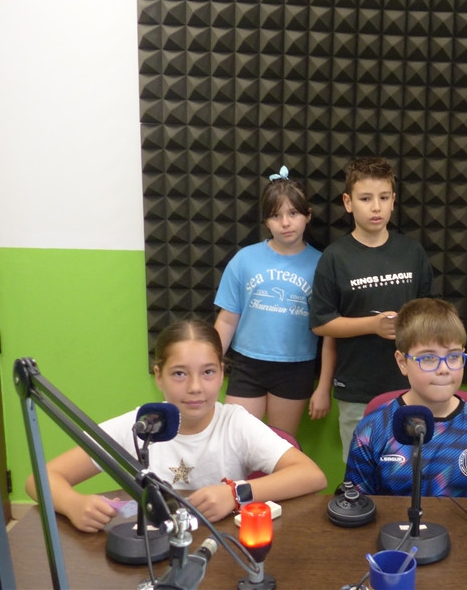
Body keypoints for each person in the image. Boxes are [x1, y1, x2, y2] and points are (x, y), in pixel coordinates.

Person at [25, 319, 327, 533]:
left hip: (222, 550)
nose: (195, 387)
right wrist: (73, 504)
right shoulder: (138, 425)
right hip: (156, 552)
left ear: (222, 374)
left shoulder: (235, 423)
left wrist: (235, 494)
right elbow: (38, 479)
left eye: (208, 372)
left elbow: (311, 475)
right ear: (159, 376)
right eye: (180, 374)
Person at [309, 157, 436, 461]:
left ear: (393, 200)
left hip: (411, 384)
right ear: (348, 202)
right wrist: (372, 325)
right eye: (365, 199)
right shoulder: (335, 257)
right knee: (360, 468)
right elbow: (322, 323)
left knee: (411, 467)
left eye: (383, 198)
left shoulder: (412, 252)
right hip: (357, 387)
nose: (376, 207)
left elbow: (430, 313)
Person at [344, 298, 467, 498]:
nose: (444, 369)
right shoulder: (373, 429)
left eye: (453, 356)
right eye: (428, 358)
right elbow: (355, 505)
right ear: (402, 362)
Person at [213, 168, 335, 438]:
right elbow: (227, 320)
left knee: (279, 446)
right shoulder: (245, 260)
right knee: (237, 441)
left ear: (308, 215)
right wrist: (209, 367)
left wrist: (324, 387)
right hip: (247, 365)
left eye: (293, 213)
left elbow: (330, 332)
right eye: (275, 215)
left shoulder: (323, 265)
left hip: (295, 369)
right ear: (266, 221)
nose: (285, 223)